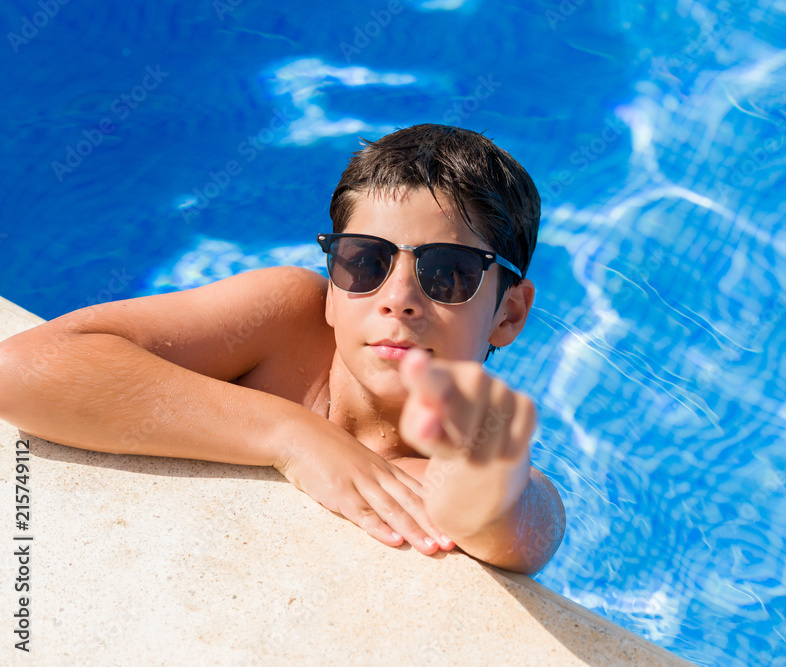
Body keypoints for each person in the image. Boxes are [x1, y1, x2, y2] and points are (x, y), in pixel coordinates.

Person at [0, 124, 566, 575]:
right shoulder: (287, 317)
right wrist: (291, 435)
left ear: (508, 312)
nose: (398, 299)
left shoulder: (449, 456)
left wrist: (483, 484)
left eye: (447, 272)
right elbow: (19, 370)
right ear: (332, 282)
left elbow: (524, 528)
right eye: (365, 261)